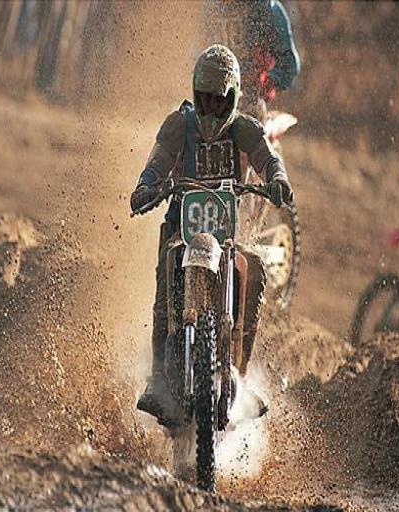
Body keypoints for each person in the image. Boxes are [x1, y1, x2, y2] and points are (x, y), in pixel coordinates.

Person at [130, 44, 293, 425]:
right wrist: (146, 187)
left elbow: (268, 160)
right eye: (204, 99)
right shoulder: (178, 126)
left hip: (227, 236)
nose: (211, 108)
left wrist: (278, 180)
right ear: (195, 93)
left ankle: (240, 372)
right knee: (167, 271)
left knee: (253, 268)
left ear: (233, 97)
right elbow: (157, 163)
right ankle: (158, 379)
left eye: (220, 101)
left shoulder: (244, 129)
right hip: (181, 231)